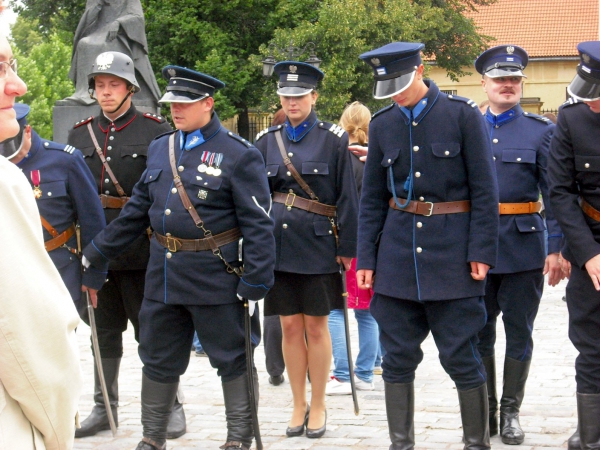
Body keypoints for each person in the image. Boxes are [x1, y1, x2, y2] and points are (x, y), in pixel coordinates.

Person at [82, 65, 275, 450]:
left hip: (215, 276)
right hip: (165, 276)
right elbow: (137, 211)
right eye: (172, 103)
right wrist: (97, 251)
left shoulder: (238, 154)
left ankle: (238, 438)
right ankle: (153, 437)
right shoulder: (161, 147)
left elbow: (259, 225)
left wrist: (255, 281)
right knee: (157, 356)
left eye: (185, 104)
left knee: (232, 358)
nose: (176, 111)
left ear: (208, 103)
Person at [357, 42, 499, 449]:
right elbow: (371, 200)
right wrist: (367, 256)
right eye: (388, 88)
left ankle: (477, 443)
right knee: (397, 359)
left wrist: (481, 251)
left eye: (400, 84)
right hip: (397, 260)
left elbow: (485, 191)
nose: (396, 94)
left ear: (420, 70)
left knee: (460, 356)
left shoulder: (462, 116)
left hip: (453, 258)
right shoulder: (383, 124)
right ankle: (400, 444)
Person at [66, 51, 186, 439]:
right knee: (101, 333)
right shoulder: (79, 133)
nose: (105, 93)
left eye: (113, 85)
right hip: (94, 251)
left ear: (130, 88)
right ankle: (105, 407)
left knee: (152, 332)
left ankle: (170, 407)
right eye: (99, 86)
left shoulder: (154, 131)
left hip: (138, 250)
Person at [255, 61, 358, 439]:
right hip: (278, 247)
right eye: (286, 95)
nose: (292, 101)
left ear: (314, 96)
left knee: (315, 326)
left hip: (317, 246)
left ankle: (318, 405)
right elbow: (254, 197)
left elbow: (349, 196)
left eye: (299, 95)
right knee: (288, 326)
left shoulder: (333, 139)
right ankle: (297, 403)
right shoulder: (267, 139)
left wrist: (348, 246)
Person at [474, 45, 562, 445]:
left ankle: (510, 412)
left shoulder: (540, 131)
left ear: (521, 84)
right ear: (485, 83)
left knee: (520, 332)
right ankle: (485, 411)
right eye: (499, 79)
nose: (507, 85)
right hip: (476, 249)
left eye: (513, 79)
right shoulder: (468, 126)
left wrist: (556, 247)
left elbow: (556, 193)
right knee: (479, 332)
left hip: (524, 246)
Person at [0, 24, 82, 450]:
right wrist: (58, 430)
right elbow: (23, 338)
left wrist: (93, 268)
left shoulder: (63, 159)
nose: (18, 84)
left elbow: (91, 217)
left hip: (65, 260)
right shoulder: (4, 181)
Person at [548, 40, 600, 450]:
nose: (591, 103)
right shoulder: (570, 118)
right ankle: (591, 433)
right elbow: (561, 191)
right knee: (589, 341)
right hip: (589, 239)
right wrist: (587, 252)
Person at [6, 103, 108, 310]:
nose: (11, 158)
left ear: (27, 131)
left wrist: (94, 274)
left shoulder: (64, 160)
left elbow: (92, 221)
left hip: (59, 270)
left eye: (14, 149)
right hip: (10, 273)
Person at [326, 101, 379, 395]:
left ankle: (345, 374)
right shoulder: (375, 157)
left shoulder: (339, 157)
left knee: (336, 309)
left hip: (345, 239)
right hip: (371, 241)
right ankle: (366, 372)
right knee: (368, 312)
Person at [63, 0, 161, 106]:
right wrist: (96, 6)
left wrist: (119, 23)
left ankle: (111, 90)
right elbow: (86, 24)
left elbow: (137, 17)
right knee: (83, 44)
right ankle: (85, 91)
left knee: (106, 45)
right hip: (97, 33)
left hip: (119, 34)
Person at [262, 108, 287, 387]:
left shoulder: (264, 146)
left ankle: (275, 367)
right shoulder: (264, 146)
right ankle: (279, 366)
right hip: (277, 235)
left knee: (274, 309)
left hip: (271, 233)